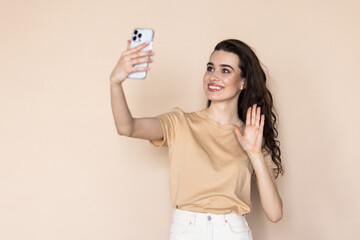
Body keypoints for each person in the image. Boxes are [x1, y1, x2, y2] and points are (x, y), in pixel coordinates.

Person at [110, 38, 284, 240]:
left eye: (225, 70)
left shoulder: (253, 134)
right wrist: (115, 83)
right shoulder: (180, 123)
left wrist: (254, 153)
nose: (213, 77)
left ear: (243, 82)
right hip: (187, 230)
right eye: (210, 68)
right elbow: (127, 127)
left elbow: (275, 213)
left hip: (232, 231)